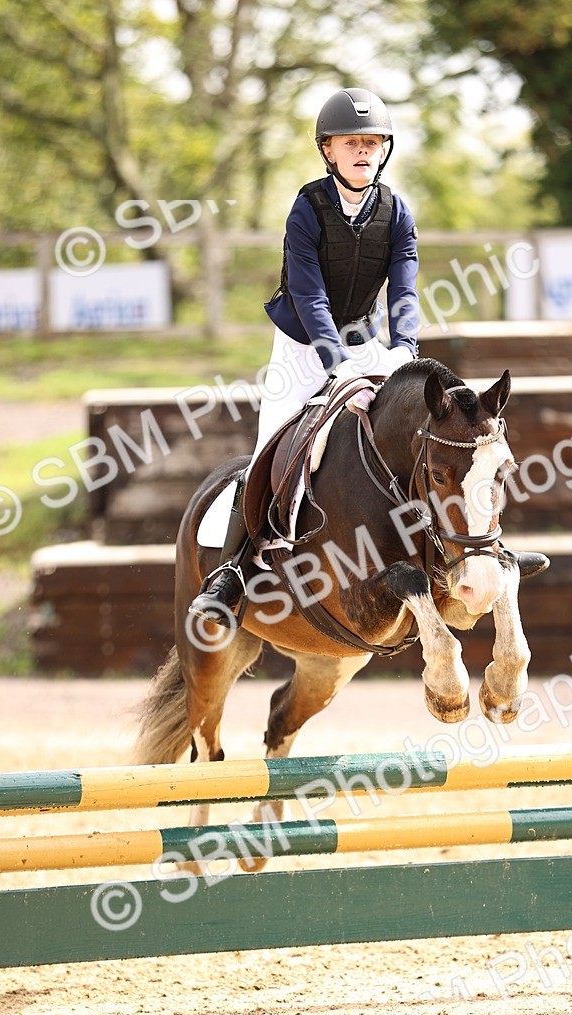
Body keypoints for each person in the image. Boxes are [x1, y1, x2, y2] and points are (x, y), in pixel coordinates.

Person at [189, 86, 420, 624]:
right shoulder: (308, 207)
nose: (363, 151)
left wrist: (404, 350)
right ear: (328, 150)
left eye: (372, 142)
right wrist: (333, 361)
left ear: (384, 149)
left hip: (363, 340)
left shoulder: (397, 211)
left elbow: (404, 292)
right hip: (300, 345)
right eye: (351, 142)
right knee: (271, 445)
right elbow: (309, 295)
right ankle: (231, 572)